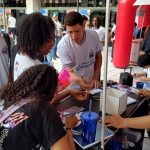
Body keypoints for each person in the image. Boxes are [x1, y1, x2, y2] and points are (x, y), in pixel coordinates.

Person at [13, 12, 88, 104]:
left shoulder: (20, 54)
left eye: (53, 39)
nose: (53, 44)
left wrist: (69, 91)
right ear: (35, 39)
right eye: (49, 40)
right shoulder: (36, 69)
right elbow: (45, 104)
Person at [0, 64, 76, 150]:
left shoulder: (10, 101)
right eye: (56, 92)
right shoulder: (45, 110)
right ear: (51, 91)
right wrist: (68, 127)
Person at [57, 12, 102, 90]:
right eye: (70, 32)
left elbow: (98, 56)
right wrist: (81, 82)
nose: (74, 36)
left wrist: (95, 78)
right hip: (71, 87)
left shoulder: (94, 35)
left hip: (89, 83)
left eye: (77, 31)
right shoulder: (63, 45)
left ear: (83, 25)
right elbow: (69, 71)